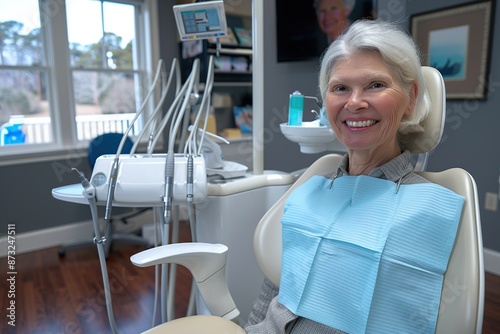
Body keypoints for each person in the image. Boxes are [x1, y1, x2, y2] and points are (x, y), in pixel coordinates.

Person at [244, 19, 464, 334]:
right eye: (340, 88)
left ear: (411, 97)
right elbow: (274, 288)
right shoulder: (310, 190)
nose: (354, 102)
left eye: (375, 85)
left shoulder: (430, 209)